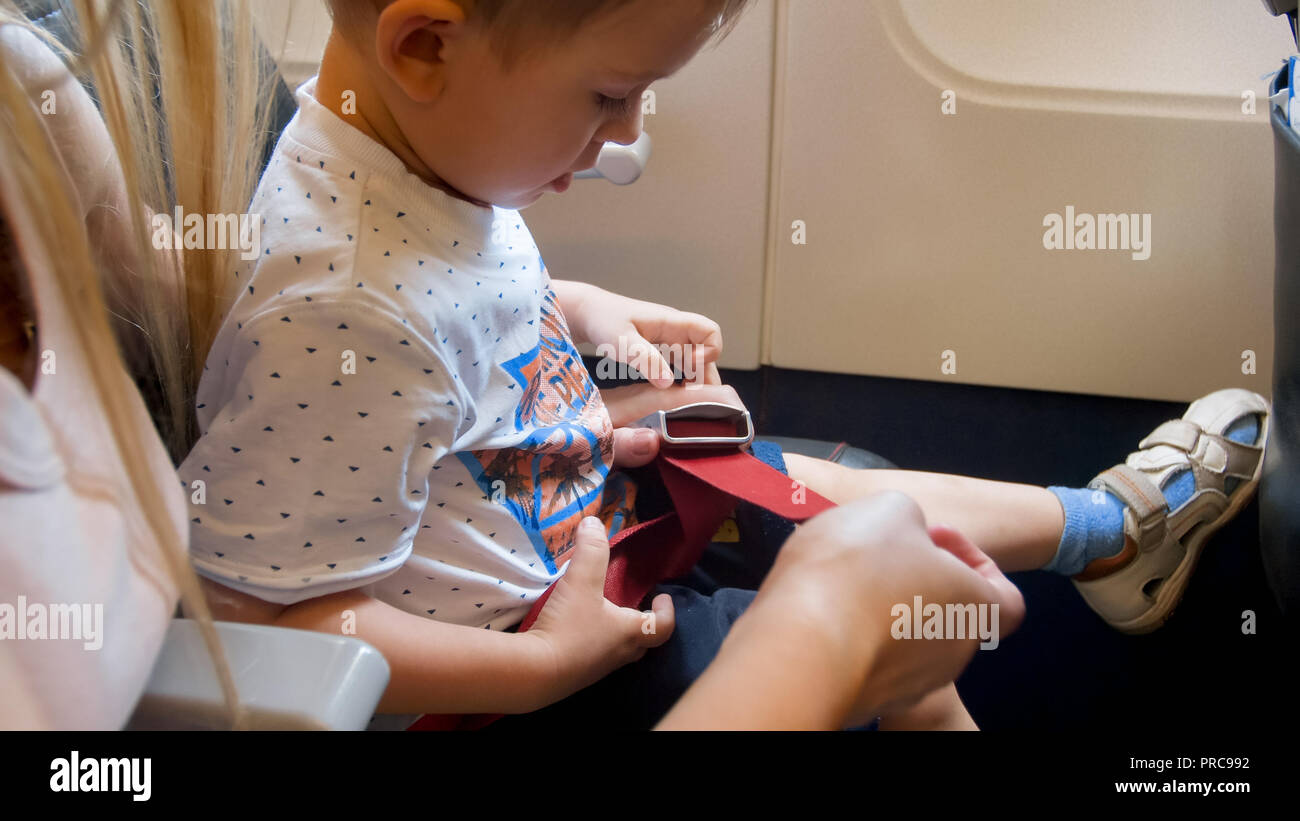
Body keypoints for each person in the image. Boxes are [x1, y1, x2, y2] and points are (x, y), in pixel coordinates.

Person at [179, 0, 1270, 730]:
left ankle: (1105, 535)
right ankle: (1085, 557)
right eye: (608, 96)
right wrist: (546, 666)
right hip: (528, 659)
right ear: (425, 46)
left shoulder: (415, 172)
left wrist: (589, 316)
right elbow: (266, 617)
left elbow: (457, 310)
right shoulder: (339, 304)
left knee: (815, 485)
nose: (627, 131)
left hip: (574, 507)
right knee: (897, 643)